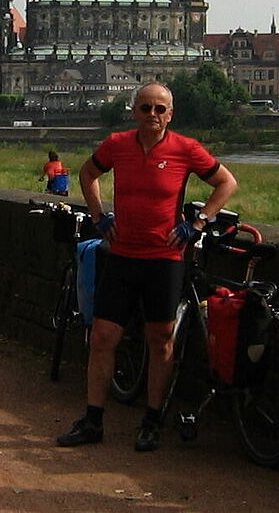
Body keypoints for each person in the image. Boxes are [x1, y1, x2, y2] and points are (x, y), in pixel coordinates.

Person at [55, 82, 238, 453]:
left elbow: (226, 182)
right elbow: (88, 174)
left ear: (170, 114)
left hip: (164, 260)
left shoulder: (186, 149)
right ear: (134, 111)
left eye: (159, 109)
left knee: (160, 341)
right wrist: (99, 217)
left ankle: (152, 421)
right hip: (122, 255)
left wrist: (198, 222)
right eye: (145, 108)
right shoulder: (117, 144)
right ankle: (93, 420)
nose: (152, 115)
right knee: (103, 337)